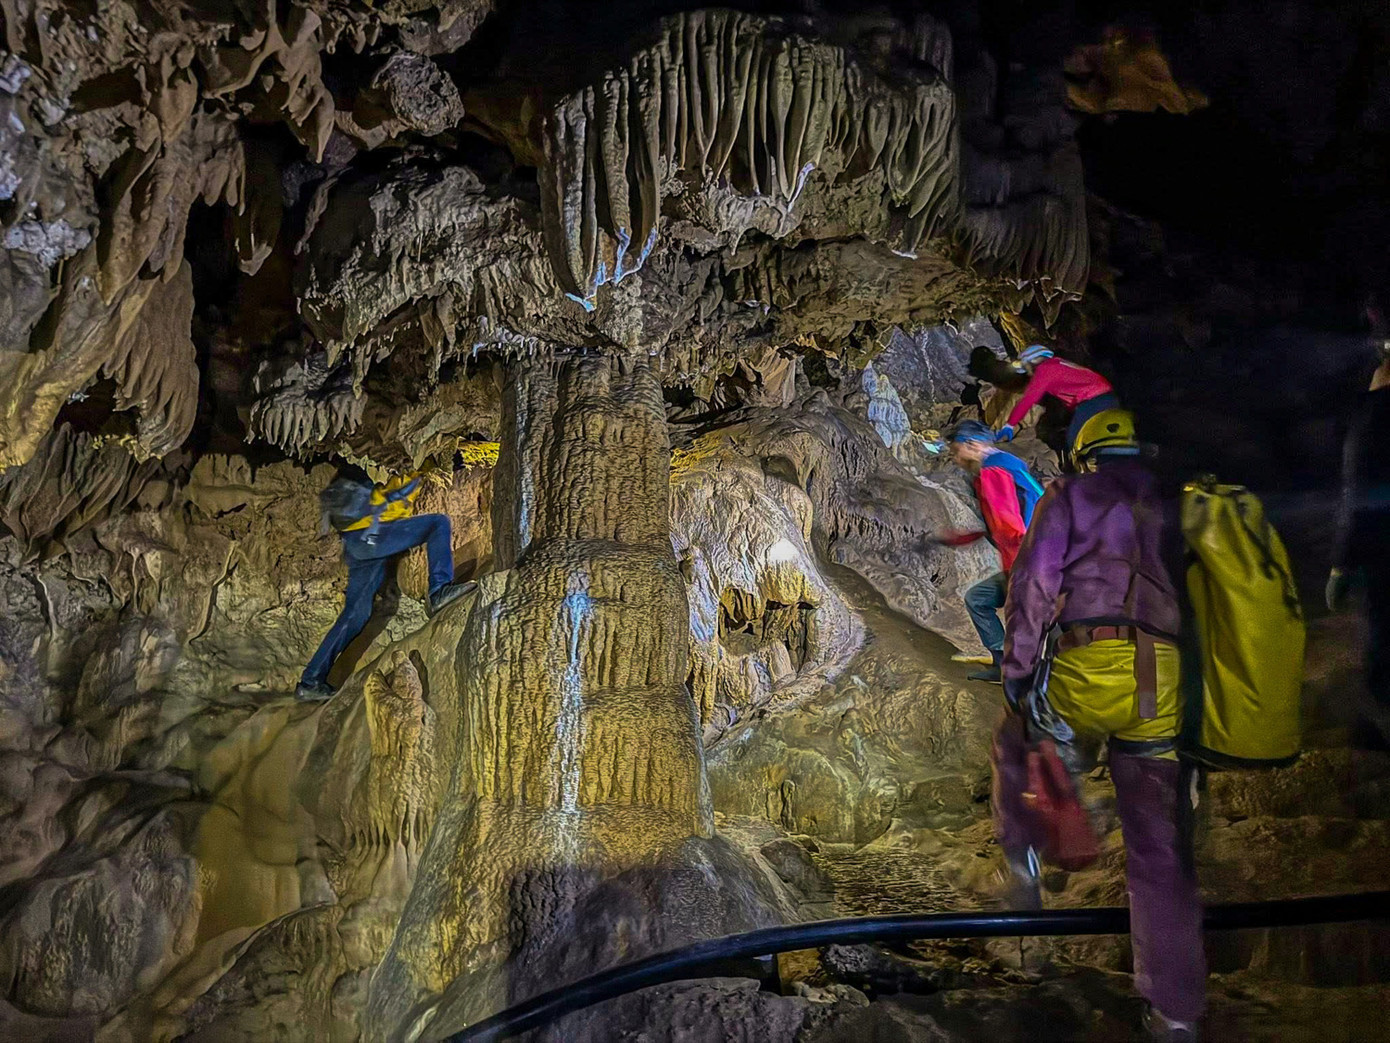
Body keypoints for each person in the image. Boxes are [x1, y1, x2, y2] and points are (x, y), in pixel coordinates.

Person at [994, 409, 1205, 1041]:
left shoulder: (1069, 495)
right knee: (1160, 848)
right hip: (1161, 680)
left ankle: (1025, 880)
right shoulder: (1175, 498)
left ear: (1085, 454)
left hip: (1087, 666)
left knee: (1017, 745)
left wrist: (1019, 673)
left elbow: (1033, 585)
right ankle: (1174, 1014)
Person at [296, 468, 475, 702]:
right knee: (437, 523)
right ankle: (438, 591)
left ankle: (310, 682)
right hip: (370, 537)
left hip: (355, 544)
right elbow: (390, 505)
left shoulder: (369, 488)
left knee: (356, 615)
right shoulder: (387, 485)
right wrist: (417, 478)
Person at [940, 420, 1045, 683]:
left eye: (955, 451)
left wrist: (1015, 573)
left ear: (972, 445)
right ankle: (1003, 665)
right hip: (1043, 555)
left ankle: (1025, 677)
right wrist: (962, 539)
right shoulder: (1007, 466)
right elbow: (1002, 523)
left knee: (1025, 616)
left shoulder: (993, 471)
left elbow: (1010, 526)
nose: (955, 459)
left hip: (1030, 561)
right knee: (978, 598)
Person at [1327, 333, 1390, 750]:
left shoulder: (1372, 419)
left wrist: (1341, 565)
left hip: (1383, 551)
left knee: (1383, 637)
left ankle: (1380, 727)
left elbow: (1358, 495)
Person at [995, 344, 1117, 451]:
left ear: (1033, 361)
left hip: (1093, 400)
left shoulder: (1044, 370)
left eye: (1025, 366)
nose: (1027, 372)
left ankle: (1082, 469)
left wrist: (1010, 424)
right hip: (1108, 396)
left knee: (1075, 439)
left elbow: (1028, 399)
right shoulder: (1057, 363)